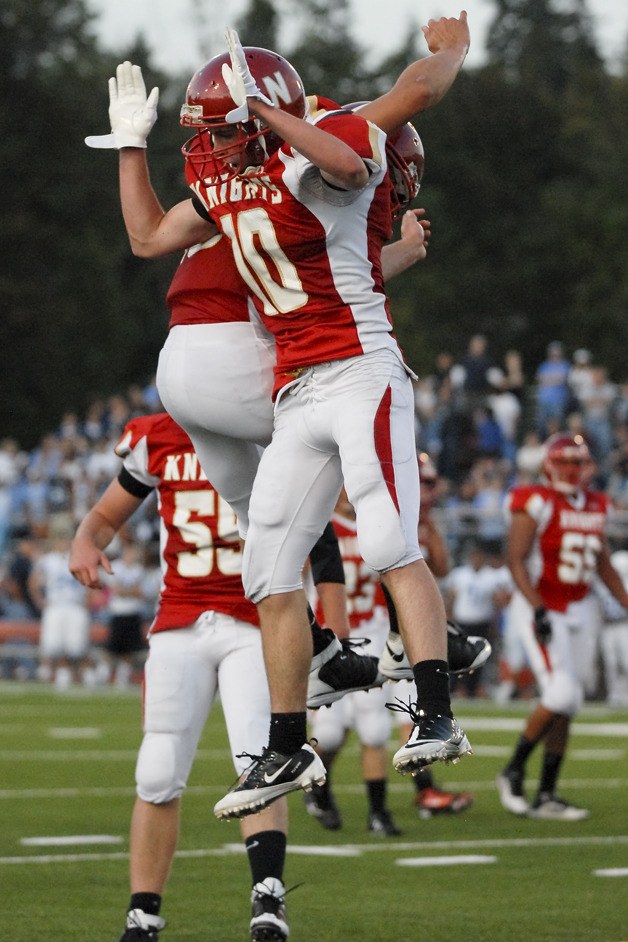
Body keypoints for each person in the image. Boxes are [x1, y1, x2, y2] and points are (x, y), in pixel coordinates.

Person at [89, 14, 474, 820]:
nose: (214, 148)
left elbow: (349, 147)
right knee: (266, 571)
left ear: (261, 117)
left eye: (222, 130)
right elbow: (151, 233)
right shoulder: (232, 167)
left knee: (389, 537)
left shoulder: (321, 142)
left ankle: (435, 710)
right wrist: (133, 146)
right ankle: (288, 740)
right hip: (296, 384)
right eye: (210, 134)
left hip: (361, 370)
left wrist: (451, 51)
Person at [69, 412, 293, 942]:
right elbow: (104, 517)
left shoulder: (270, 421)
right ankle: (142, 915)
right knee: (157, 770)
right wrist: (85, 538)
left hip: (254, 619)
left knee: (257, 761)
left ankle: (268, 898)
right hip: (180, 619)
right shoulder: (160, 436)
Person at [496, 433, 628, 820]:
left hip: (580, 607)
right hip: (542, 605)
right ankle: (513, 769)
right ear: (549, 465)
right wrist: (536, 609)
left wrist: (624, 600)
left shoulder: (595, 504)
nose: (572, 469)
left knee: (570, 702)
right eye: (565, 461)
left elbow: (602, 563)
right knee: (561, 693)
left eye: (578, 462)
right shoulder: (534, 500)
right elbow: (515, 559)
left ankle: (548, 793)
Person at [305, 488, 403, 836]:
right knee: (329, 735)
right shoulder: (315, 522)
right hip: (327, 638)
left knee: (375, 726)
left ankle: (378, 812)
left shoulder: (378, 526)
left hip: (370, 634)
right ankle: (319, 788)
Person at [29, 526, 95, 690]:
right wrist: (39, 601)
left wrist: (87, 601)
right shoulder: (47, 560)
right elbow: (33, 581)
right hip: (56, 604)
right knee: (55, 644)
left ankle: (87, 675)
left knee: (77, 644)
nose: (62, 542)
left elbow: (90, 581)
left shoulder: (79, 558)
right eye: (60, 539)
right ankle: (62, 674)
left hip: (75, 605)